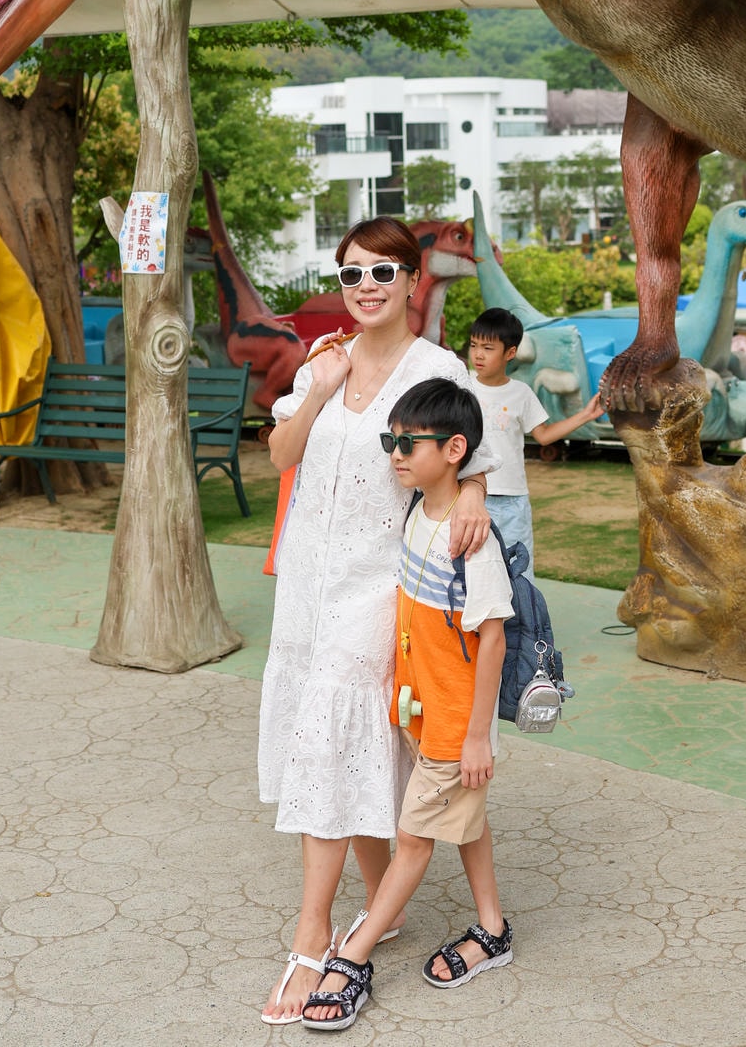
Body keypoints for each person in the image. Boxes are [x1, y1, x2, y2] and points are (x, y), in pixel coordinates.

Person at [259, 217, 498, 1025]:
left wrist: (468, 496)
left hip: (376, 586)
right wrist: (319, 390)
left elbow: (474, 464)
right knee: (350, 745)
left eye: (382, 274)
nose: (366, 289)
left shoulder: (437, 368)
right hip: (305, 583)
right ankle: (381, 904)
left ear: (411, 281)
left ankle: (313, 932)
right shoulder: (325, 360)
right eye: (352, 275)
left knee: (334, 738)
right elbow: (280, 456)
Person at [301, 378, 514, 1031]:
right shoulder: (420, 513)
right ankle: (493, 928)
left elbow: (494, 638)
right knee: (466, 822)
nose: (395, 454)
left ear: (453, 449)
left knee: (414, 839)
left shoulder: (468, 539)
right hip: (425, 713)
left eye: (408, 443)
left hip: (454, 726)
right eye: (390, 440)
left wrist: (477, 737)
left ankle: (355, 959)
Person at [468, 306, 605, 575]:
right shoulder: (462, 387)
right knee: (471, 569)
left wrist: (585, 416)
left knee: (517, 571)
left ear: (510, 353)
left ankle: (524, 618)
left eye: (488, 348)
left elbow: (544, 436)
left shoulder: (521, 393)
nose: (478, 354)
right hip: (470, 495)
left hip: (512, 500)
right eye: (474, 346)